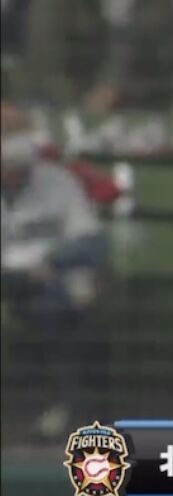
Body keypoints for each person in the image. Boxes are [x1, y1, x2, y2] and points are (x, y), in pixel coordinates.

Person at [1, 106, 107, 437]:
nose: (12, 175)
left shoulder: (58, 181)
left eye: (18, 168)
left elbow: (92, 242)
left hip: (45, 280)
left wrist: (54, 262)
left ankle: (65, 405)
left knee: (58, 308)